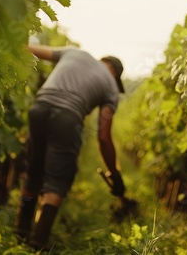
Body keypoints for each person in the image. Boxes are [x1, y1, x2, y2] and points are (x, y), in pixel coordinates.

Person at [15, 44, 126, 250]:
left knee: (34, 171)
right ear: (114, 72)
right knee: (57, 180)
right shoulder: (111, 86)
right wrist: (114, 173)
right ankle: (37, 243)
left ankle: (20, 232)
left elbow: (30, 48)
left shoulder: (73, 52)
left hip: (39, 108)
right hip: (67, 118)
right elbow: (103, 137)